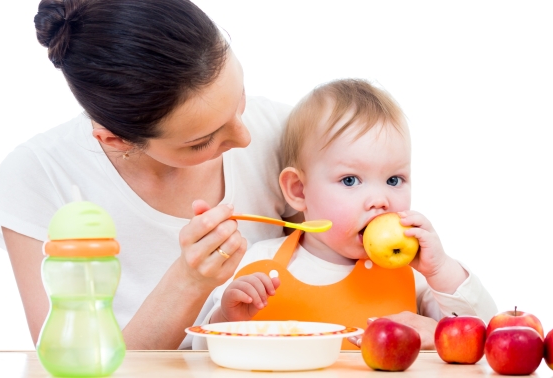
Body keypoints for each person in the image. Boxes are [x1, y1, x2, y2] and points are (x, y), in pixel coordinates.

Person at [0, 0, 300, 350]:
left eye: (239, 96)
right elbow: (70, 365)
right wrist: (189, 281)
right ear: (115, 140)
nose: (244, 138)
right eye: (201, 140)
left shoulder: (283, 130)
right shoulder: (41, 174)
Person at [194, 79, 498, 350]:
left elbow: (483, 338)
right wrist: (228, 317)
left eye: (394, 180)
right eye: (350, 180)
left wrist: (441, 269)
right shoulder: (256, 265)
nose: (380, 200)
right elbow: (197, 353)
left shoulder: (413, 276)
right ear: (299, 191)